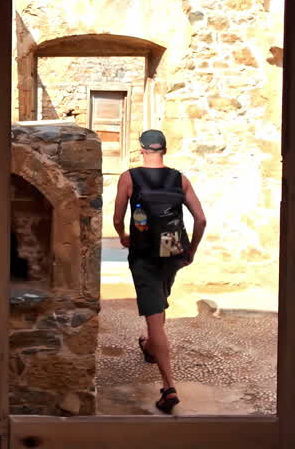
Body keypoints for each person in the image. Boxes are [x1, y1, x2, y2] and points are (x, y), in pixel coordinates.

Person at [113, 129, 207, 414]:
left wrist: (123, 235)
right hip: (173, 247)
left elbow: (118, 218)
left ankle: (168, 387)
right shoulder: (180, 178)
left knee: (154, 316)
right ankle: (150, 345)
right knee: (159, 299)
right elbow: (201, 219)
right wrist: (190, 250)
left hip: (144, 249)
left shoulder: (129, 177)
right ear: (164, 150)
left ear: (141, 150)